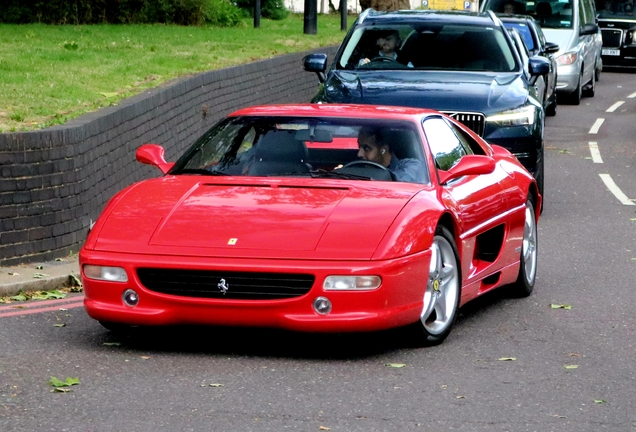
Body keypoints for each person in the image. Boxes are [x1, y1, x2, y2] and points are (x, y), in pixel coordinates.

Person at [356, 126, 426, 183]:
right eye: (359, 147)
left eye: (366, 148)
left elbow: (401, 183)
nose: (359, 154)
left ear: (384, 149)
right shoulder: (357, 167)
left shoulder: (410, 165)